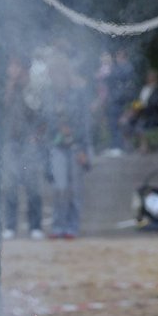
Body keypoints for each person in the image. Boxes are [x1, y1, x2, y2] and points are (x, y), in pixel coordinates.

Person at [42, 57, 93, 239]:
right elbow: (45, 120)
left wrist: (84, 150)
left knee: (74, 188)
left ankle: (73, 226)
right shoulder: (48, 94)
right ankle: (58, 225)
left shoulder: (78, 94)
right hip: (56, 146)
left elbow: (84, 122)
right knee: (60, 187)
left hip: (75, 146)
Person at [1, 54, 46, 240]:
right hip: (10, 142)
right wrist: (11, 86)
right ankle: (10, 225)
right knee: (10, 186)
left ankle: (36, 226)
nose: (13, 70)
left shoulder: (33, 87)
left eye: (16, 66)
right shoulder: (6, 87)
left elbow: (39, 112)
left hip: (28, 141)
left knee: (33, 186)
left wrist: (36, 137)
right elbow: (1, 107)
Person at [121, 69, 158, 153]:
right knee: (126, 123)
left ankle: (144, 147)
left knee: (140, 125)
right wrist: (132, 110)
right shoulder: (144, 88)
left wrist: (140, 108)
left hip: (153, 116)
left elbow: (156, 104)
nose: (148, 79)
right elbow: (138, 102)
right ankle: (128, 146)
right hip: (141, 115)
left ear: (155, 78)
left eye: (150, 77)